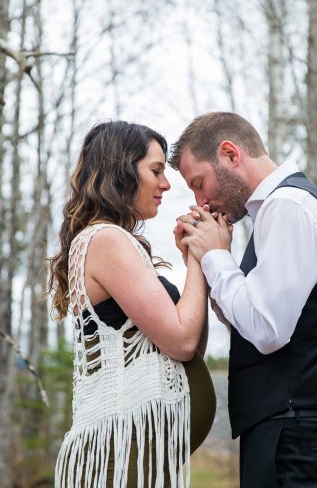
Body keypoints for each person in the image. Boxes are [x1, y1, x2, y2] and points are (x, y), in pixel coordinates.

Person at [170, 112, 317, 488]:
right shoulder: (273, 214)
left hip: (296, 438)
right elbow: (251, 320)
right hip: (286, 434)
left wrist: (217, 257)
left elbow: (267, 329)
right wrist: (206, 262)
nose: (200, 199)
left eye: (200, 183)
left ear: (230, 154)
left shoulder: (289, 207)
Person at [48, 121, 215, 488]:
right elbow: (182, 340)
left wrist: (192, 260)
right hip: (121, 451)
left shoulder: (112, 241)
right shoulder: (106, 239)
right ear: (122, 170)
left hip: (136, 453)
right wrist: (203, 259)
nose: (166, 184)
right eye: (156, 171)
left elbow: (187, 351)